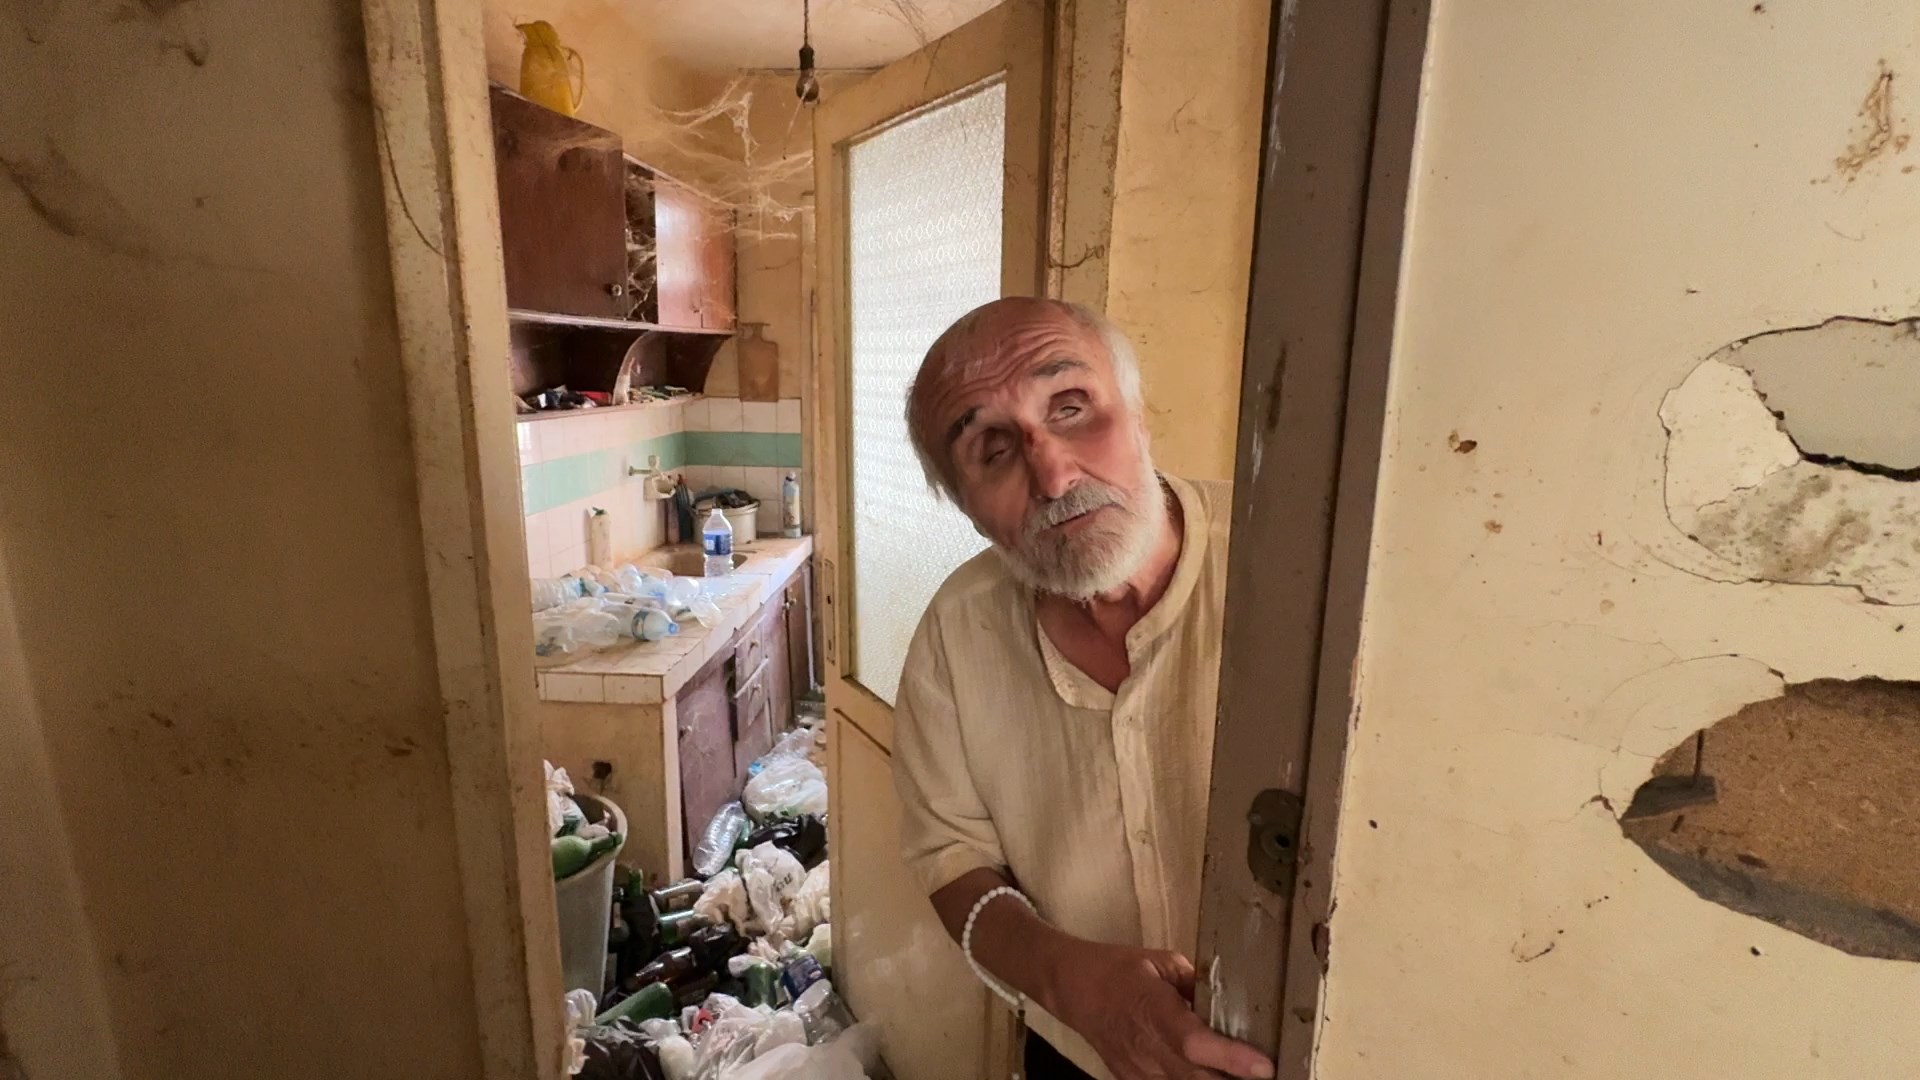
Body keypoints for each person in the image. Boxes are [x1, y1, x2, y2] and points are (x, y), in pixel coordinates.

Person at [891, 297, 1272, 1080]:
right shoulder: (957, 635)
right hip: (1081, 1055)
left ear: (1138, 413)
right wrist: (1077, 987)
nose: (1055, 475)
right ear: (967, 509)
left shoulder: (1295, 566)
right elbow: (950, 858)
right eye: (993, 448)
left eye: (1071, 407)